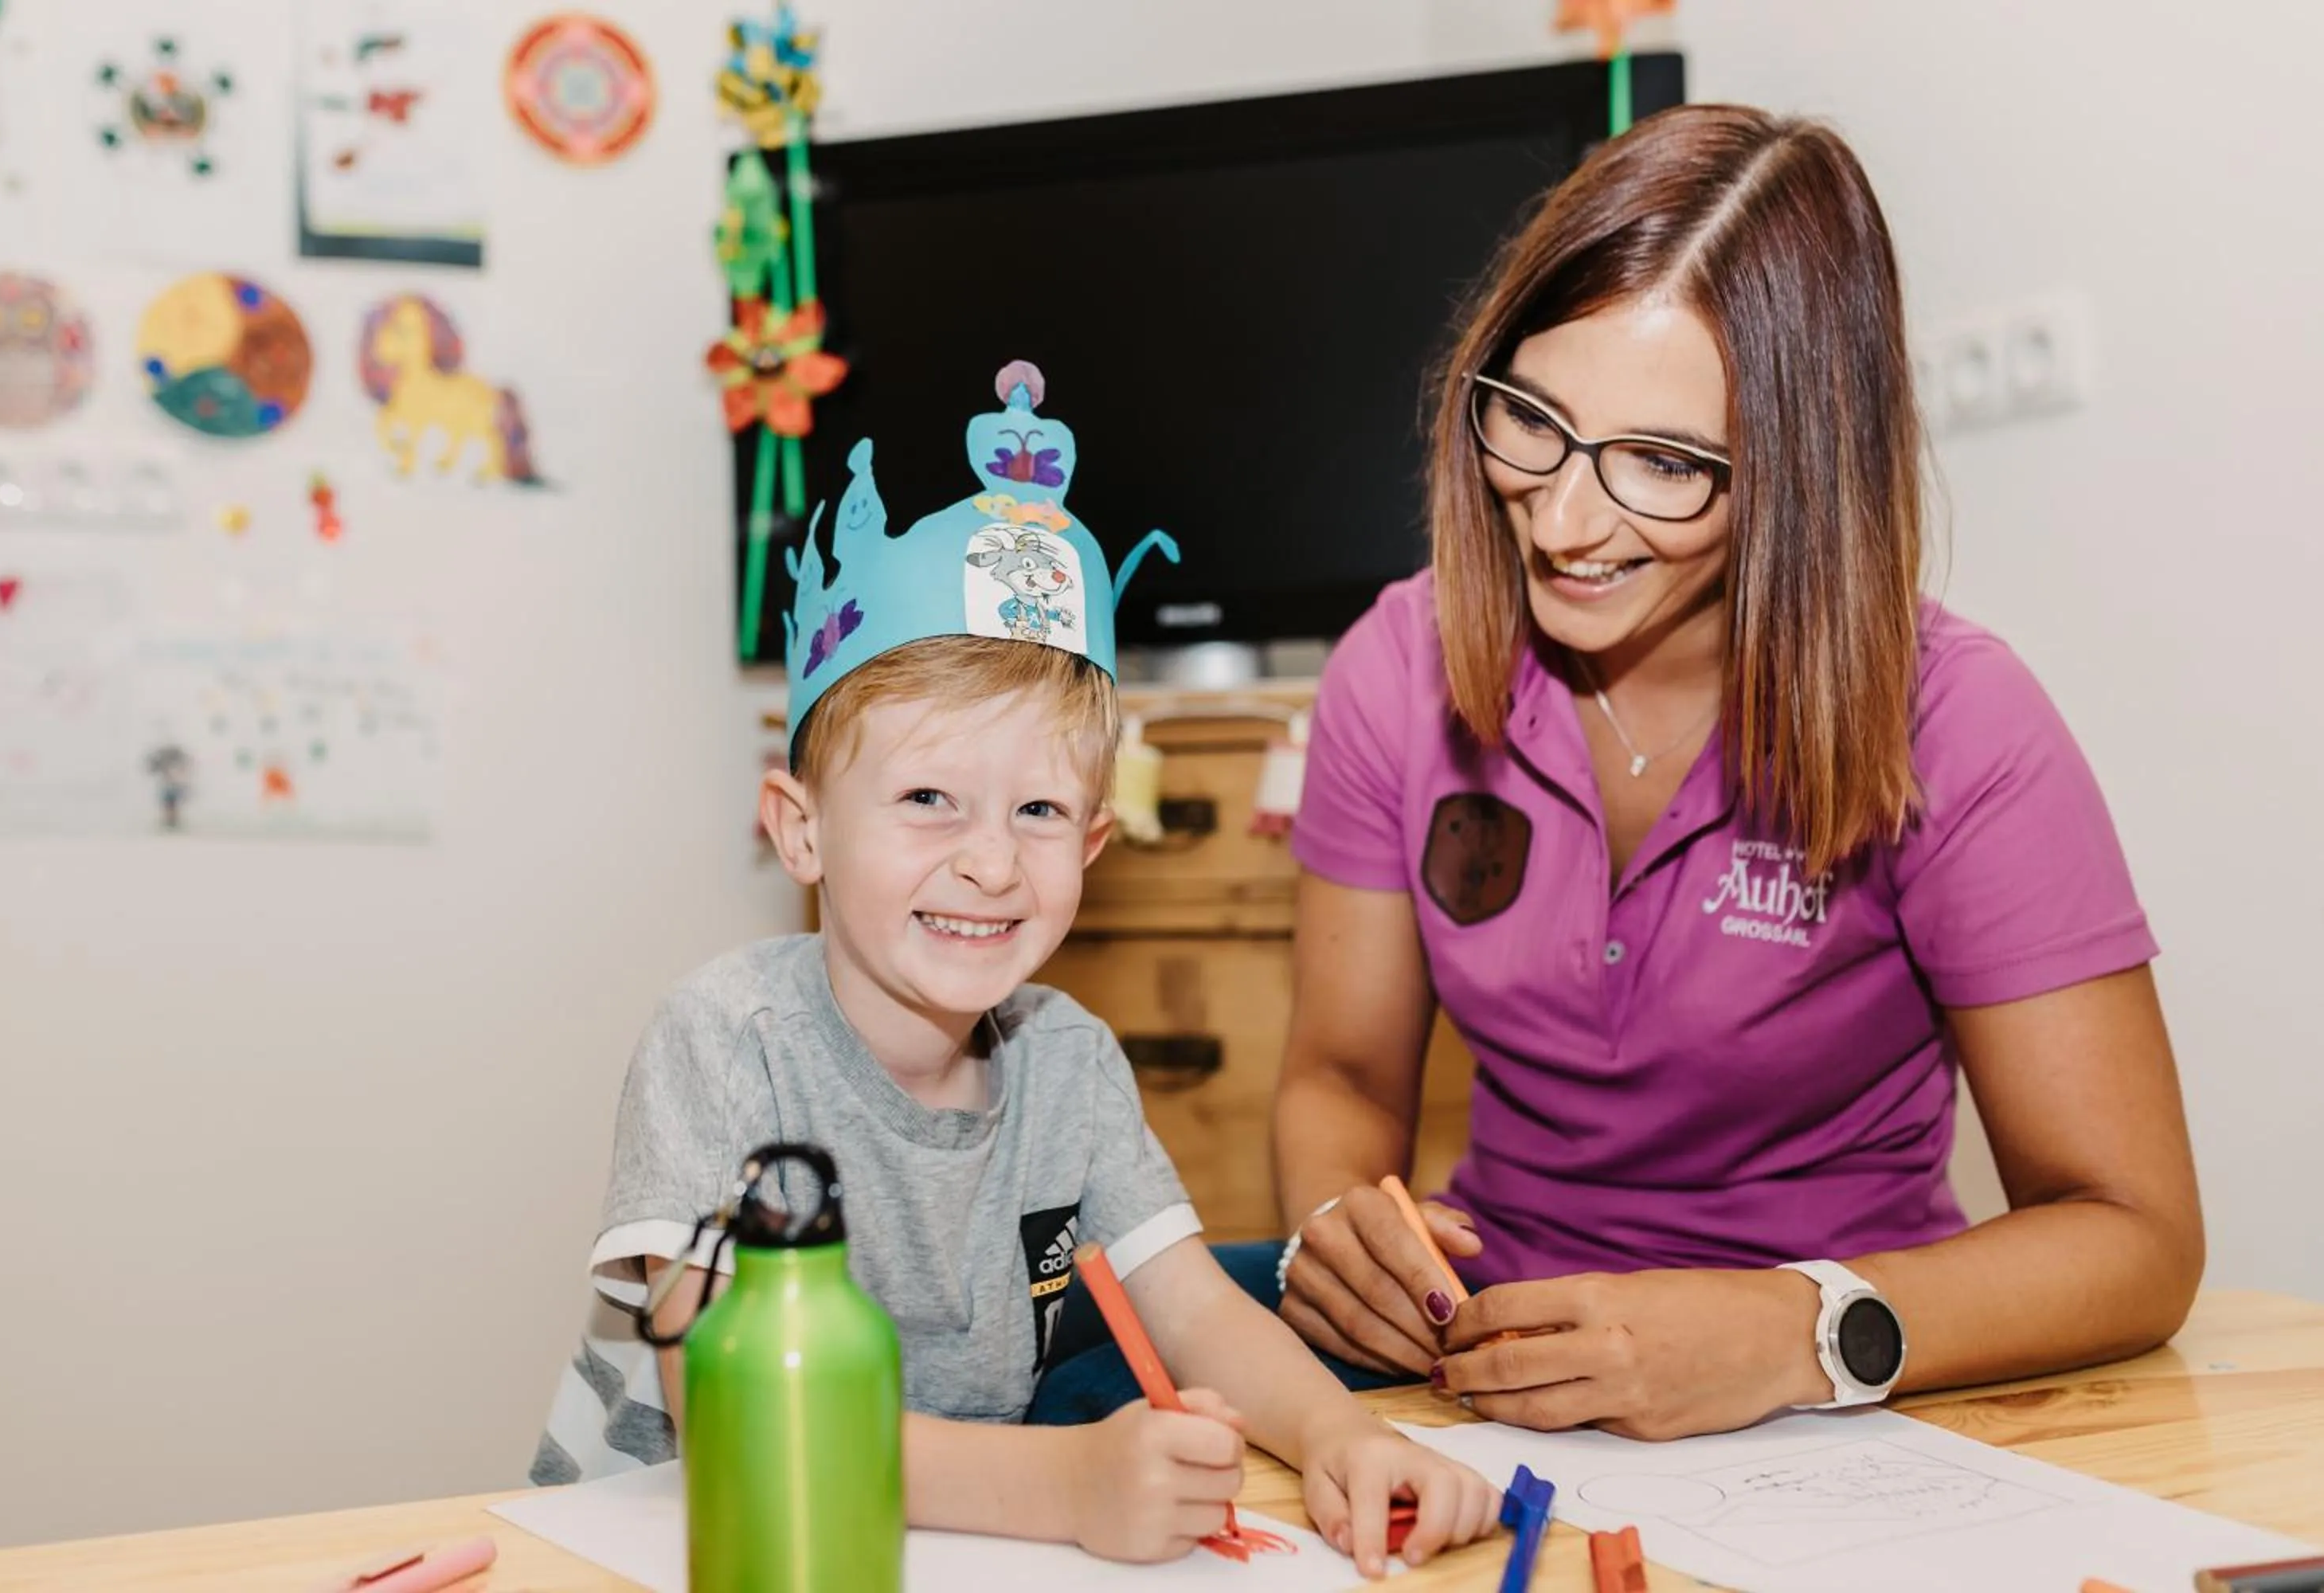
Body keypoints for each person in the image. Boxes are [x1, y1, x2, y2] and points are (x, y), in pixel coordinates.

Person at [1264, 103, 2205, 1440]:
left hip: (1840, 1395)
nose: (1565, 521)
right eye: (1531, 420)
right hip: (1482, 1370)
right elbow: (1344, 1078)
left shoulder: (1963, 723)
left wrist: (1792, 1330)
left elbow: (2137, 1238)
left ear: (1797, 475)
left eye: (1662, 464)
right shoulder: (1395, 664)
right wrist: (1336, 1223)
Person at [533, 364, 1500, 1576]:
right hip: (680, 1550)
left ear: (1094, 843)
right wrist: (1061, 1486)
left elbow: (1193, 1308)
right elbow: (730, 1410)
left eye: (1039, 809)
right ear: (800, 829)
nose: (991, 863)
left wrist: (1344, 1439)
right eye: (928, 798)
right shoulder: (729, 1042)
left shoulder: (1068, 1059)